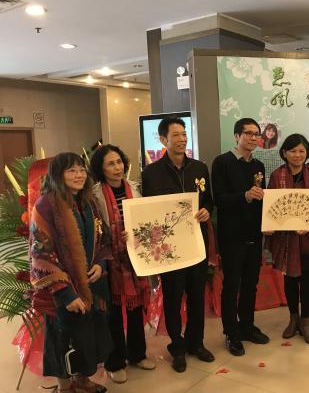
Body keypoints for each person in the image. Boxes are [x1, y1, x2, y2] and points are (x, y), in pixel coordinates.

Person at [29, 152, 112, 393]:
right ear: (58, 175)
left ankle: (83, 380)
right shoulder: (45, 205)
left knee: (87, 338)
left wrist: (100, 263)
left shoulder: (88, 202)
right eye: (71, 170)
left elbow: (103, 239)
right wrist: (66, 293)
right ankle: (64, 387)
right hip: (62, 291)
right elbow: (41, 255)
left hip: (91, 284)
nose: (79, 175)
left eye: (81, 169)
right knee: (62, 340)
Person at [141, 116, 214, 372]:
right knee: (173, 298)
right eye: (176, 135)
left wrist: (206, 210)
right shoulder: (151, 173)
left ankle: (196, 342)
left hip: (196, 243)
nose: (182, 139)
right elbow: (147, 211)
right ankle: (178, 346)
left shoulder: (199, 168)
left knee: (196, 296)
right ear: (163, 140)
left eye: (184, 134)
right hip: (169, 249)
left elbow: (209, 200)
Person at [90, 145, 154, 384]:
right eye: (110, 164)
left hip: (135, 258)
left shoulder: (134, 189)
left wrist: (136, 233)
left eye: (119, 162)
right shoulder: (94, 195)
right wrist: (114, 236)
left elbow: (146, 220)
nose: (117, 168)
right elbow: (94, 231)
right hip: (110, 261)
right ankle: (114, 362)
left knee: (136, 308)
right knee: (113, 314)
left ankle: (138, 354)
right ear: (101, 168)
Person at [212, 117, 270, 356]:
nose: (253, 137)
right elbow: (218, 200)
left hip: (254, 234)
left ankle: (247, 326)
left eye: (256, 134)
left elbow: (262, 200)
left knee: (250, 284)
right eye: (248, 133)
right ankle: (231, 332)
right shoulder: (222, 162)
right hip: (232, 236)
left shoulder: (258, 165)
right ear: (237, 136)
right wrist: (244, 196)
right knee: (231, 284)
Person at [267, 134, 309, 345]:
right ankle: (293, 318)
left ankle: (305, 321)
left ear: (307, 153)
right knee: (290, 280)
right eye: (293, 151)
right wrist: (291, 224)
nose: (297, 155)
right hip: (287, 239)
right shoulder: (277, 176)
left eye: (301, 151)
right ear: (284, 153)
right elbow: (272, 208)